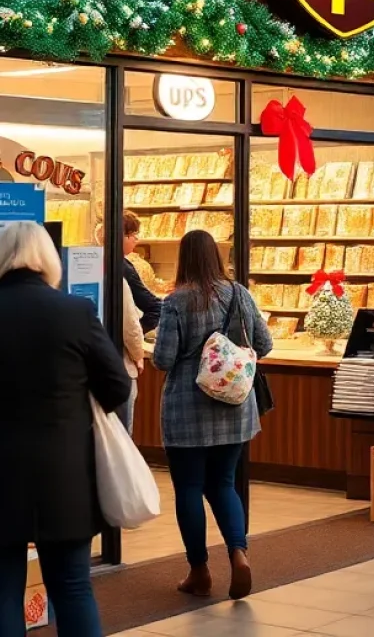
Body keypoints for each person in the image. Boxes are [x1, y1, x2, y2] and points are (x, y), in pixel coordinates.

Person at [0, 221, 131, 637]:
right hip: (65, 473)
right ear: (48, 260)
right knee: (73, 587)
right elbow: (117, 386)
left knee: (2, 592)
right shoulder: (74, 311)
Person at [153, 229, 273, 601]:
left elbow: (163, 359)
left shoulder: (176, 302)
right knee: (223, 484)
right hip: (235, 407)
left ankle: (199, 571)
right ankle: (238, 554)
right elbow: (265, 344)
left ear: (184, 259)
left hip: (187, 410)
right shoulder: (239, 294)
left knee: (189, 488)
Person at [124, 211, 163, 333]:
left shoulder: (95, 260)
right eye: (133, 233)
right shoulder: (124, 268)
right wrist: (134, 334)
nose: (137, 239)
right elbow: (156, 308)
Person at [122, 276, 146, 434]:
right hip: (120, 367)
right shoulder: (116, 279)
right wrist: (138, 356)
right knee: (121, 438)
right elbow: (131, 327)